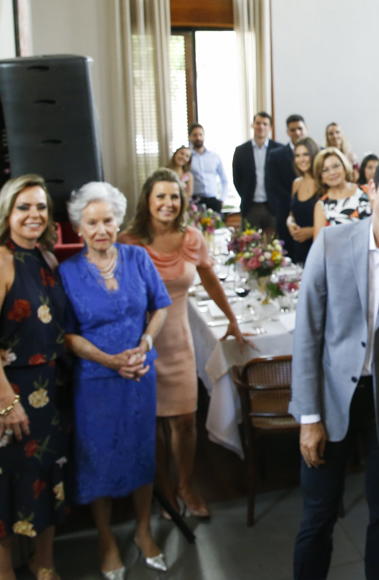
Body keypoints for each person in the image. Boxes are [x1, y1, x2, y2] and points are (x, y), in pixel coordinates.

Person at [289, 153, 379, 580]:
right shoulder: (330, 243)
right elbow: (307, 333)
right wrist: (309, 417)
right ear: (371, 190)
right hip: (330, 396)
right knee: (317, 513)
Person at [119, 168, 249, 522]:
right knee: (153, 426)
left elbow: (210, 280)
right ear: (147, 200)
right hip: (140, 344)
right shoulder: (128, 242)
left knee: (186, 422)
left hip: (179, 342)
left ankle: (187, 485)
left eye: (174, 196)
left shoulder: (192, 238)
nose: (168, 203)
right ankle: (165, 490)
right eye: (160, 196)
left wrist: (232, 319)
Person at [59, 182, 172, 578]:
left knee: (142, 451)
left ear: (118, 221)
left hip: (139, 375)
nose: (101, 229)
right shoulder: (67, 272)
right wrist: (109, 360)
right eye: (92, 222)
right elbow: (66, 335)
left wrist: (145, 342)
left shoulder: (138, 258)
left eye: (108, 220)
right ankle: (106, 540)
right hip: (94, 381)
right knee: (98, 459)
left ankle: (143, 530)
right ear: (79, 227)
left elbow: (161, 307)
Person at [0, 176, 71, 580]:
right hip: (6, 390)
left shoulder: (46, 258)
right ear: (6, 213)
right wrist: (6, 402)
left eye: (41, 207)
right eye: (24, 207)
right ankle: (2, 574)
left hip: (48, 387)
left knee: (46, 474)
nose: (34, 215)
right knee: (4, 481)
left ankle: (44, 564)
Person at [233, 112, 295, 238]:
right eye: (258, 123)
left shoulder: (279, 149)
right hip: (250, 206)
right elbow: (237, 179)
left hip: (273, 206)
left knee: (274, 244)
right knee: (248, 244)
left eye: (265, 124)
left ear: (270, 127)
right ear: (252, 125)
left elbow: (284, 179)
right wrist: (246, 195)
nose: (261, 126)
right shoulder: (241, 151)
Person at [313, 147, 371, 227]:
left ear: (344, 166)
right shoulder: (321, 206)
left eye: (335, 166)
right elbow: (320, 235)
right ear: (321, 177)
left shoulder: (367, 190)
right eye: (325, 170)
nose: (332, 172)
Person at [286, 137, 322, 265]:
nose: (301, 159)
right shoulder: (296, 183)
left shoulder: (323, 183)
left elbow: (334, 220)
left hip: (319, 248)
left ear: (314, 155)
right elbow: (292, 214)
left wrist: (312, 231)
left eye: (305, 154)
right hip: (299, 248)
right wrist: (290, 223)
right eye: (297, 155)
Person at [188, 123, 228, 213]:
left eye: (200, 134)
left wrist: (222, 199)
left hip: (213, 201)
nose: (198, 138)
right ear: (190, 137)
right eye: (195, 135)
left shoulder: (215, 156)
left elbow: (224, 179)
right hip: (195, 202)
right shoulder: (187, 157)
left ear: (204, 136)